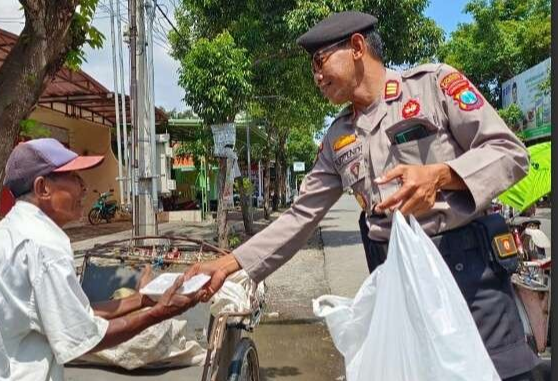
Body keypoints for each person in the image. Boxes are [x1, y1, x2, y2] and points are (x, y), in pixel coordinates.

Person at [187, 11, 538, 380]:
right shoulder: (339, 137)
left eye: (320, 62)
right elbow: (299, 217)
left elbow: (510, 153)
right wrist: (227, 265)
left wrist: (441, 176)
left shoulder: (432, 87)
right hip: (396, 287)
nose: (316, 77)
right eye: (312, 69)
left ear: (357, 47)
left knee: (498, 372)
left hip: (469, 280)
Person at [0, 138, 202, 381]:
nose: (83, 186)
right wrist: (159, 312)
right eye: (73, 178)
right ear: (42, 187)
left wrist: (142, 299)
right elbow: (83, 338)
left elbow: (72, 316)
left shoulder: (13, 231)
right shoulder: (43, 243)